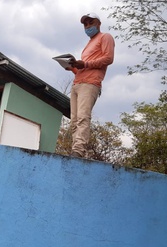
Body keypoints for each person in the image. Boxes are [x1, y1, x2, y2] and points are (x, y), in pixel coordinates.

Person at [66, 12, 115, 158]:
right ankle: (76, 149)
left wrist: (84, 63)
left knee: (83, 117)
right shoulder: (88, 45)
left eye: (90, 22)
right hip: (77, 83)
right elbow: (83, 68)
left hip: (90, 84)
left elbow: (108, 58)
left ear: (98, 23)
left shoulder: (105, 37)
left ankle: (79, 150)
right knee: (74, 120)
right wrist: (72, 67)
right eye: (85, 24)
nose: (88, 26)